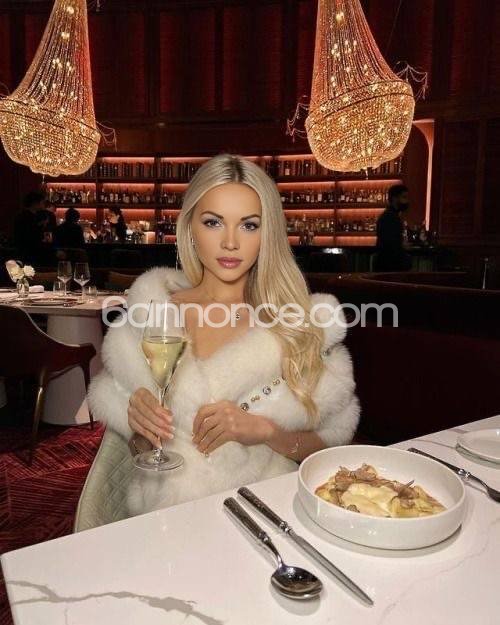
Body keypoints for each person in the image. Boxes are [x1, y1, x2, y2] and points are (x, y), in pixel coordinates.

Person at [80, 154, 360, 527]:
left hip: (263, 519)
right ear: (190, 227)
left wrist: (266, 431)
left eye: (249, 225)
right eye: (213, 222)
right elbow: (139, 450)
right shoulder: (151, 312)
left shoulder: (298, 325)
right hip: (161, 523)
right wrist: (142, 428)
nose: (230, 242)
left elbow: (333, 443)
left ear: (267, 234)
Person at [373, 184, 412, 271]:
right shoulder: (391, 218)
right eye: (404, 197)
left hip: (385, 264)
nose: (407, 201)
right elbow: (391, 246)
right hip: (389, 266)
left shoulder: (388, 216)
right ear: (395, 199)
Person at [13, 191, 45, 261]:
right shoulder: (29, 217)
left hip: (22, 252)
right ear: (35, 203)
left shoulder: (21, 215)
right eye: (42, 202)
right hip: (30, 253)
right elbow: (30, 236)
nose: (44, 205)